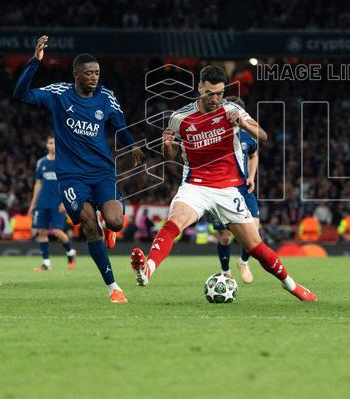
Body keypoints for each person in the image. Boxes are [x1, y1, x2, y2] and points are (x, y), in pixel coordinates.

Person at [130, 65, 316, 302]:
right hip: (196, 184)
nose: (215, 99)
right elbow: (171, 156)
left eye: (219, 93)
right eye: (210, 93)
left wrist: (242, 122)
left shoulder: (231, 109)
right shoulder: (180, 118)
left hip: (229, 189)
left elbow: (263, 135)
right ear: (199, 88)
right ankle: (148, 269)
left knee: (256, 247)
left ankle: (291, 285)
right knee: (174, 222)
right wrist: (167, 147)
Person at [14, 35, 143, 304]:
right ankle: (113, 288)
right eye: (88, 73)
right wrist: (34, 63)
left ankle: (110, 224)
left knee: (116, 221)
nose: (94, 77)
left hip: (102, 172)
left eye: (97, 73)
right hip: (71, 175)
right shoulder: (59, 94)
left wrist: (132, 146)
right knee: (89, 226)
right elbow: (21, 94)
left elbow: (119, 125)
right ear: (76, 74)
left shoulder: (106, 97)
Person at [209, 97, 257, 283]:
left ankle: (243, 262)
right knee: (224, 236)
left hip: (244, 187)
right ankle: (225, 270)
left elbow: (254, 155)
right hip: (221, 188)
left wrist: (252, 177)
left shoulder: (248, 135)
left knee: (254, 229)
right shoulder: (215, 134)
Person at [28, 135, 76, 271]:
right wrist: (33, 203)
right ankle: (46, 263)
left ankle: (70, 252)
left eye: (55, 143)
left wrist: (65, 201)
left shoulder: (63, 162)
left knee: (56, 231)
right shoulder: (41, 162)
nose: (52, 145)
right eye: (50, 142)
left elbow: (68, 183)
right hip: (42, 202)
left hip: (57, 203)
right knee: (41, 231)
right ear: (46, 145)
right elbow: (38, 183)